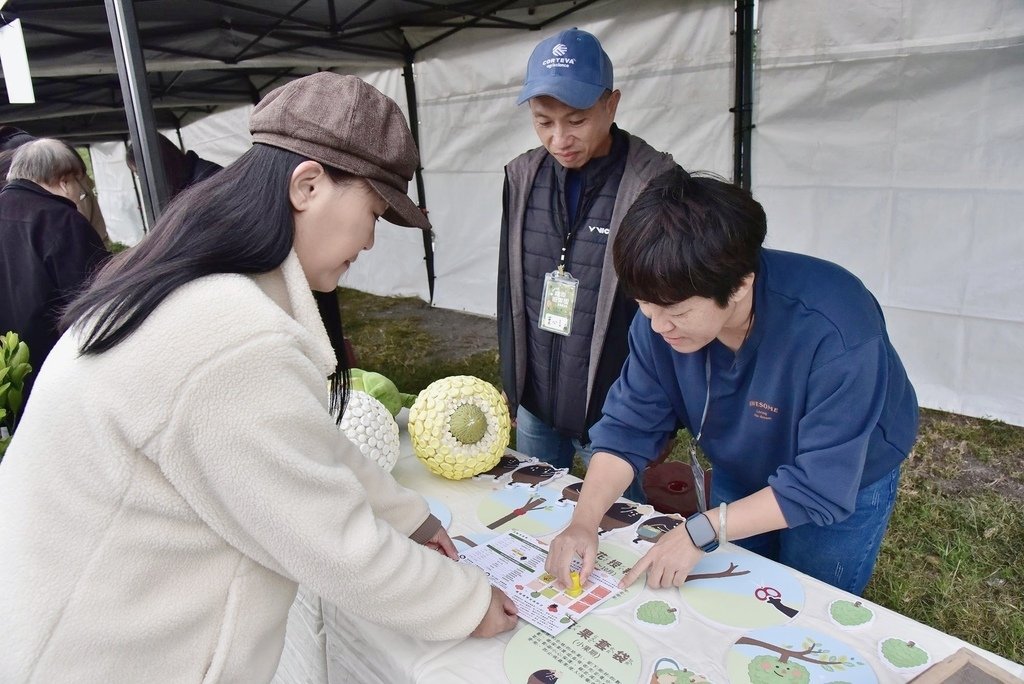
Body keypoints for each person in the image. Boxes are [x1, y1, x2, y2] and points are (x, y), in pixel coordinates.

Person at [0, 73, 517, 683]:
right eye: (373, 212)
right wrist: (468, 602)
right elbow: (333, 543)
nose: (371, 240)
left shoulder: (197, 292)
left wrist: (412, 518)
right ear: (307, 185)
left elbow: (306, 445)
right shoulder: (232, 338)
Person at [545, 168, 918, 596]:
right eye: (645, 305)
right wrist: (583, 522)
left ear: (740, 285)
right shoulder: (660, 316)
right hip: (741, 461)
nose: (659, 325)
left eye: (678, 312)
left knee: (808, 598)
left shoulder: (837, 329)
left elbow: (822, 486)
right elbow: (628, 427)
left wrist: (698, 531)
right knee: (738, 585)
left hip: (844, 472)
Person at [497, 28, 677, 502]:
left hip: (617, 407)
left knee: (621, 527)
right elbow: (509, 286)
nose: (560, 138)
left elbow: (670, 307)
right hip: (538, 398)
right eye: (543, 122)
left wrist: (662, 413)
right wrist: (513, 384)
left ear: (611, 104)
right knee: (532, 511)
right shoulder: (521, 176)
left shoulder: (654, 184)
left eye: (576, 120)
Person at [0, 138, 109, 409]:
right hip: (55, 371)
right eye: (81, 184)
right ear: (65, 179)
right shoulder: (61, 220)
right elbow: (97, 299)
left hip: (7, 373)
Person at [126, 131, 223, 197]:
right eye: (139, 176)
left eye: (144, 172)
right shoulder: (180, 184)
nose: (145, 180)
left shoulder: (207, 177)